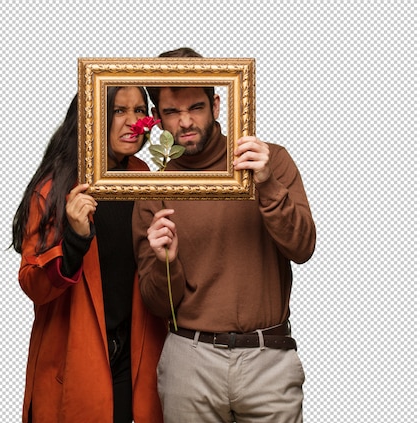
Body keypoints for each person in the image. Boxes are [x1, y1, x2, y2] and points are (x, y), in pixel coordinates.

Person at [132, 48, 316, 422]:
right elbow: (158, 304)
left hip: (269, 357)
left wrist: (266, 184)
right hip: (190, 359)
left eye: (196, 107)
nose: (185, 121)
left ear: (216, 104)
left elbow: (303, 247)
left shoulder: (269, 160)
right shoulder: (153, 188)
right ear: (157, 119)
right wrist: (166, 263)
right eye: (171, 111)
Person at [12, 86, 167, 423]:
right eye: (119, 111)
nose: (133, 122)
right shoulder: (56, 189)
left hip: (133, 358)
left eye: (140, 111)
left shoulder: (144, 179)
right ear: (93, 117)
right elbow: (32, 284)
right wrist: (75, 242)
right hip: (74, 361)